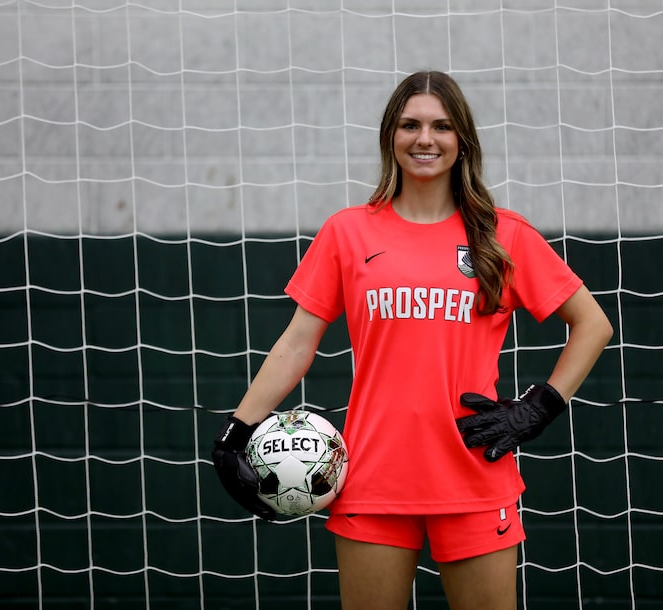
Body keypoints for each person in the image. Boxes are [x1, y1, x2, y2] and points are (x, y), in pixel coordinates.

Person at [212, 70, 613, 610]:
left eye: (442, 126)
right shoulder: (348, 232)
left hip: (474, 475)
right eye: (410, 125)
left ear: (462, 139)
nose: (425, 138)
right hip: (372, 480)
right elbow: (296, 343)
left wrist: (540, 406)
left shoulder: (501, 235)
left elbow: (593, 324)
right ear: (390, 137)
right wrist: (237, 432)